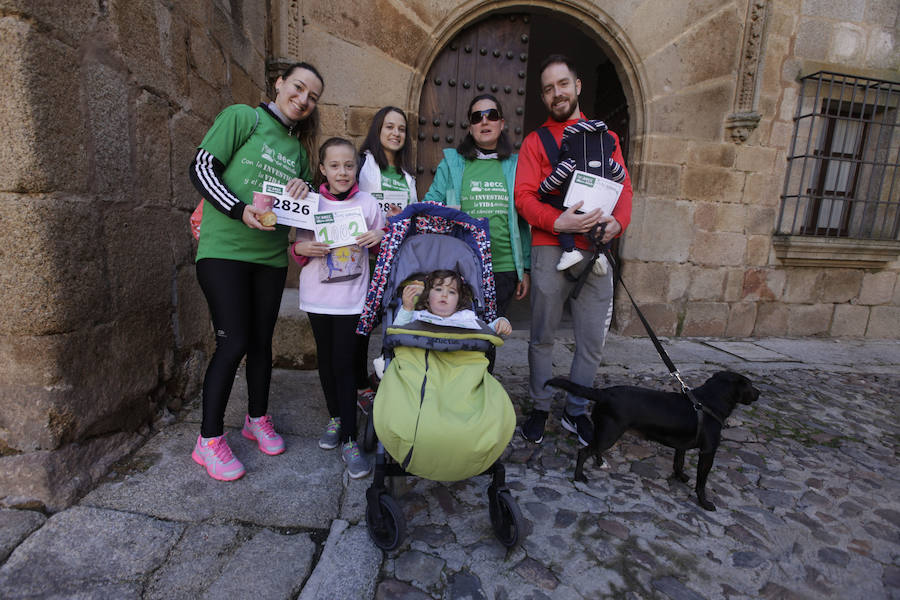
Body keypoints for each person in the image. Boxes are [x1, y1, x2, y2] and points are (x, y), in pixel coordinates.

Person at [188, 61, 324, 482]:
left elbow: (300, 213)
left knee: (263, 343)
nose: (302, 100)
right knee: (234, 342)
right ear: (280, 84)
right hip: (224, 251)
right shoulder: (242, 118)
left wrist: (306, 190)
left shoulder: (299, 152)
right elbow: (202, 167)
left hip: (269, 258)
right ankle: (208, 440)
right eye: (297, 88)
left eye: (312, 97)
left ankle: (256, 418)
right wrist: (238, 209)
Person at [514, 54, 633, 447]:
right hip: (551, 248)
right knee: (542, 337)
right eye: (548, 89)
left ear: (577, 86)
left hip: (597, 253)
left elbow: (624, 189)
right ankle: (540, 405)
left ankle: (576, 411)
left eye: (562, 84)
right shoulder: (536, 142)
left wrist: (619, 223)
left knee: (592, 341)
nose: (556, 93)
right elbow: (524, 197)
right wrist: (556, 222)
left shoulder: (606, 137)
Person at [291, 137, 386, 479]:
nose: (342, 172)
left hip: (351, 300)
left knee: (345, 365)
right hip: (318, 297)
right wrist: (306, 249)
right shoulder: (310, 203)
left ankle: (349, 439)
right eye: (335, 166)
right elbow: (297, 249)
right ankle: (335, 417)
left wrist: (380, 237)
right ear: (322, 169)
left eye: (348, 165)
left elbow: (383, 244)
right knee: (327, 362)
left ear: (356, 168)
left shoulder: (369, 204)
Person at [422, 94, 531, 323]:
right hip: (459, 267)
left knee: (489, 336)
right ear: (470, 127)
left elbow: (523, 221)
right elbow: (431, 204)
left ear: (501, 123)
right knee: (458, 334)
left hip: (504, 268)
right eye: (476, 117)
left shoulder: (516, 165)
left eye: (491, 115)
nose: (484, 121)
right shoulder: (452, 163)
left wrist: (526, 269)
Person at [354, 107, 419, 412]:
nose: (396, 133)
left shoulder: (407, 177)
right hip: (362, 261)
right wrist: (380, 229)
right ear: (378, 130)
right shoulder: (361, 165)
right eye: (389, 127)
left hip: (396, 263)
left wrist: (396, 224)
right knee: (361, 325)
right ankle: (359, 386)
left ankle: (383, 379)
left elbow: (413, 218)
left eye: (401, 129)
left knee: (391, 321)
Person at [537, 119, 627, 272]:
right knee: (603, 224)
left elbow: (552, 182)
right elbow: (622, 177)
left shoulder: (569, 162)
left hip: (574, 205)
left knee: (560, 215)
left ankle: (570, 251)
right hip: (600, 208)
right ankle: (600, 254)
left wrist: (542, 190)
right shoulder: (608, 161)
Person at [396, 270, 512, 336]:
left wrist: (500, 322)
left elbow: (485, 331)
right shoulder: (417, 316)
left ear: (459, 300)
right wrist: (407, 308)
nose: (444, 295)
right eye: (438, 289)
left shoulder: (465, 317)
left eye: (451, 292)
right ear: (427, 296)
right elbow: (396, 333)